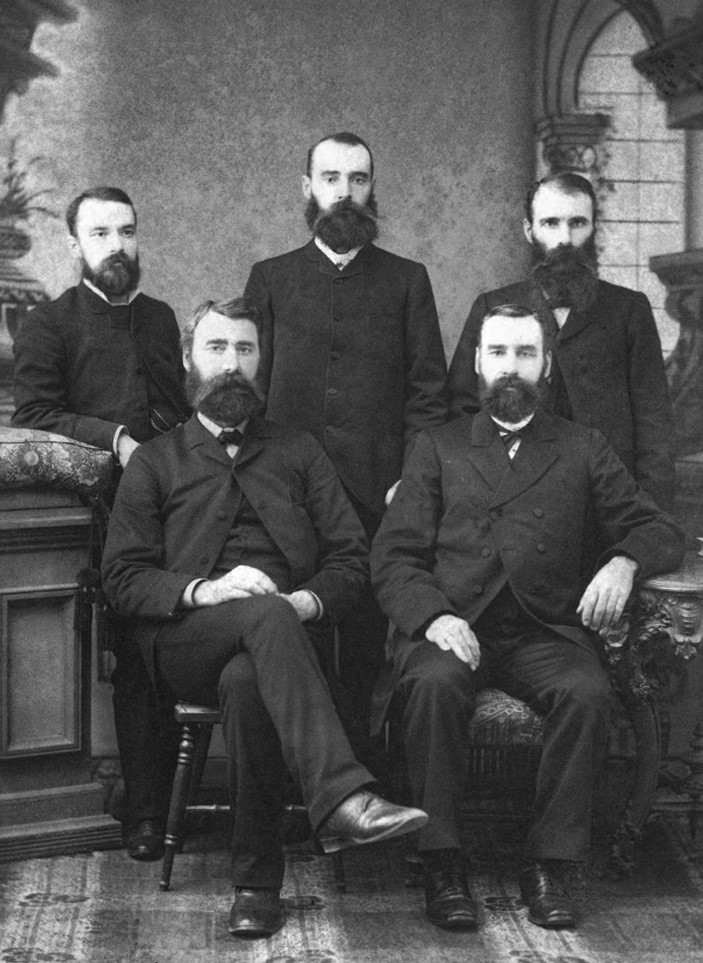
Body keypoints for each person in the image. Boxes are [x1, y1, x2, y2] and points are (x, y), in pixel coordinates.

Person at [100, 297, 428, 939]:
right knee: (263, 618)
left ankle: (255, 888)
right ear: (192, 361)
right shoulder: (156, 461)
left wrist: (305, 601)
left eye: (245, 350)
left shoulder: (298, 452)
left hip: (280, 651)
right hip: (183, 644)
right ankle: (343, 798)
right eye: (218, 349)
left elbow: (350, 559)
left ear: (261, 362)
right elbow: (123, 578)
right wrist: (207, 591)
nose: (232, 364)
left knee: (252, 679)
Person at [371, 304, 685, 931]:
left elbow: (658, 526)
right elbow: (394, 554)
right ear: (479, 362)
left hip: (542, 629)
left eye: (524, 354)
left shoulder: (581, 445)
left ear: (545, 365)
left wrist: (624, 562)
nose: (509, 368)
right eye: (498, 354)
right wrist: (433, 617)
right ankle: (442, 860)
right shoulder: (437, 446)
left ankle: (551, 862)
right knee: (432, 686)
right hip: (454, 623)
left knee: (588, 693)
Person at [244, 131, 448, 748]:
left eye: (357, 179)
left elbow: (428, 395)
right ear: (307, 189)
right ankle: (296, 790)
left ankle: (366, 779)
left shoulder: (407, 280)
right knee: (289, 639)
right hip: (286, 497)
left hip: (376, 495)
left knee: (365, 647)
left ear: (372, 189)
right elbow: (249, 390)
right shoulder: (271, 278)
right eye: (330, 179)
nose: (344, 193)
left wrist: (409, 481)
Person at [12, 186, 190, 861]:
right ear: (74, 244)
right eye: (101, 233)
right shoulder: (48, 323)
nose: (117, 246)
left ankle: (197, 800)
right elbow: (34, 416)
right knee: (141, 656)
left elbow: (176, 409)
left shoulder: (160, 317)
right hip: (110, 513)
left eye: (127, 231)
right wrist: (113, 436)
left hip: (179, 501)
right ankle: (146, 813)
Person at [446, 171, 675, 511]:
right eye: (551, 224)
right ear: (529, 230)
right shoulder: (491, 307)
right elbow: (461, 410)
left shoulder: (629, 309)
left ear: (594, 228)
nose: (565, 239)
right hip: (514, 502)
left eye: (577, 223)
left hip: (608, 503)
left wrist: (651, 516)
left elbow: (652, 420)